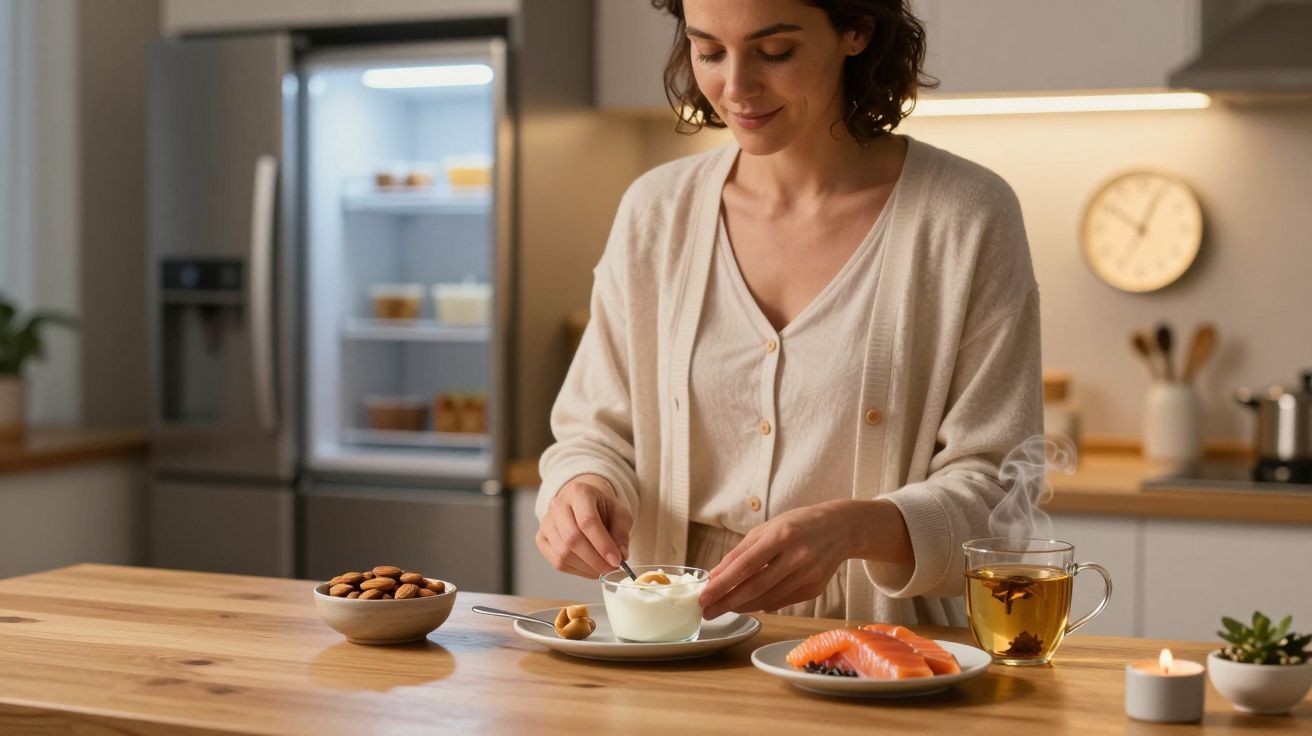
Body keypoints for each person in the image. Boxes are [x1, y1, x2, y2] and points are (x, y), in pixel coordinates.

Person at [534, 0, 1041, 626]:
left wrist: (854, 529)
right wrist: (581, 487)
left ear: (857, 31)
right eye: (709, 51)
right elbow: (593, 431)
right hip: (674, 638)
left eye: (775, 52)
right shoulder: (654, 212)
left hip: (881, 643)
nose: (735, 87)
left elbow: (1002, 487)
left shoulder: (967, 216)